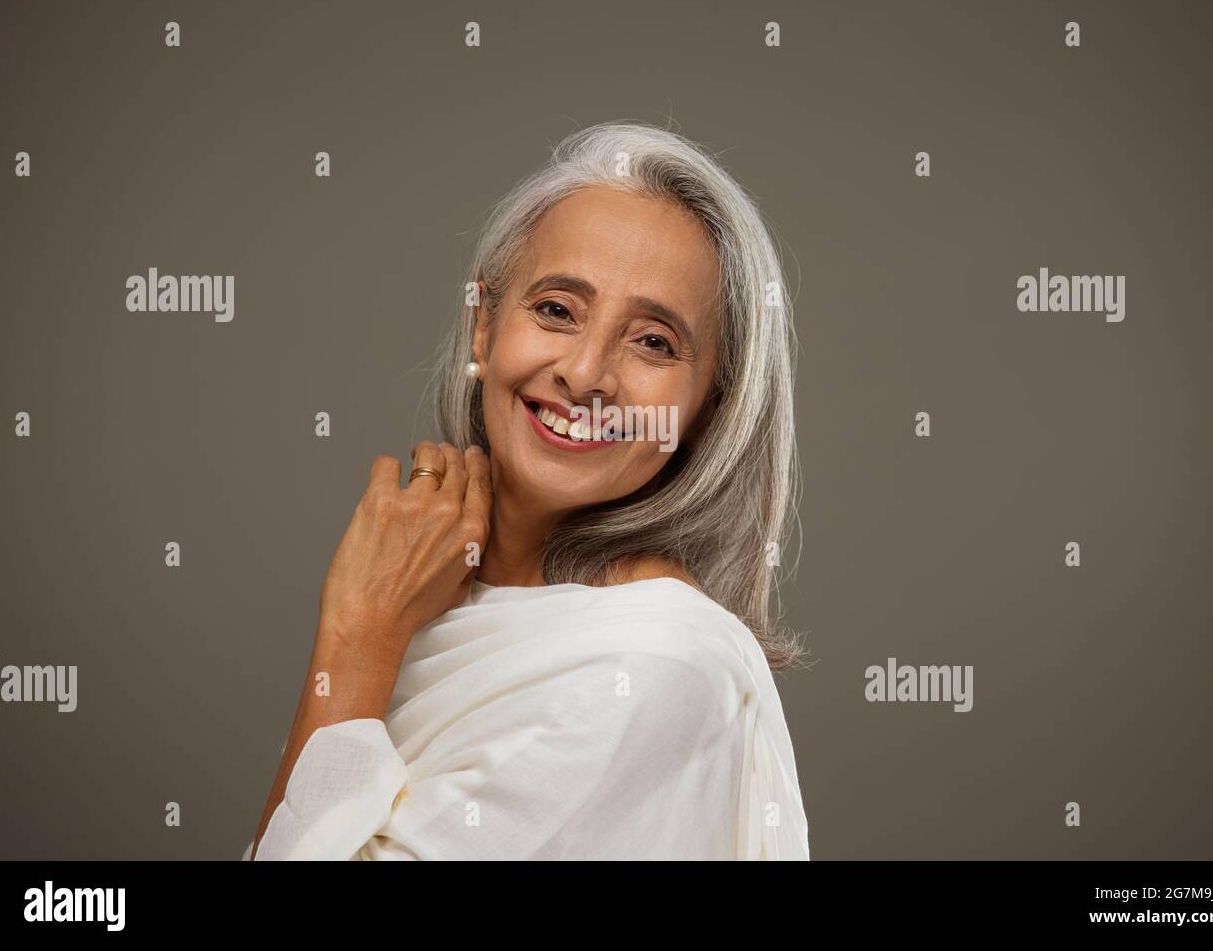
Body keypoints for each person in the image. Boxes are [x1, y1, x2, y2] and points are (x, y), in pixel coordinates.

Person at [246, 121, 810, 860]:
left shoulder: (657, 663)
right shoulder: (432, 597)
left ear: (711, 406)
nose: (585, 374)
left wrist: (358, 629)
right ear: (483, 329)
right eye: (555, 310)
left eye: (653, 341)